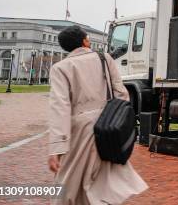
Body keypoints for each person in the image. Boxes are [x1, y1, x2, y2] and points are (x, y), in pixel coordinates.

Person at [48, 25, 148, 204]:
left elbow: (60, 108)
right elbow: (121, 93)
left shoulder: (61, 68)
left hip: (78, 131)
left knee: (69, 185)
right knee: (103, 184)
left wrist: (56, 148)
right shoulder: (104, 58)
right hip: (107, 128)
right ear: (85, 41)